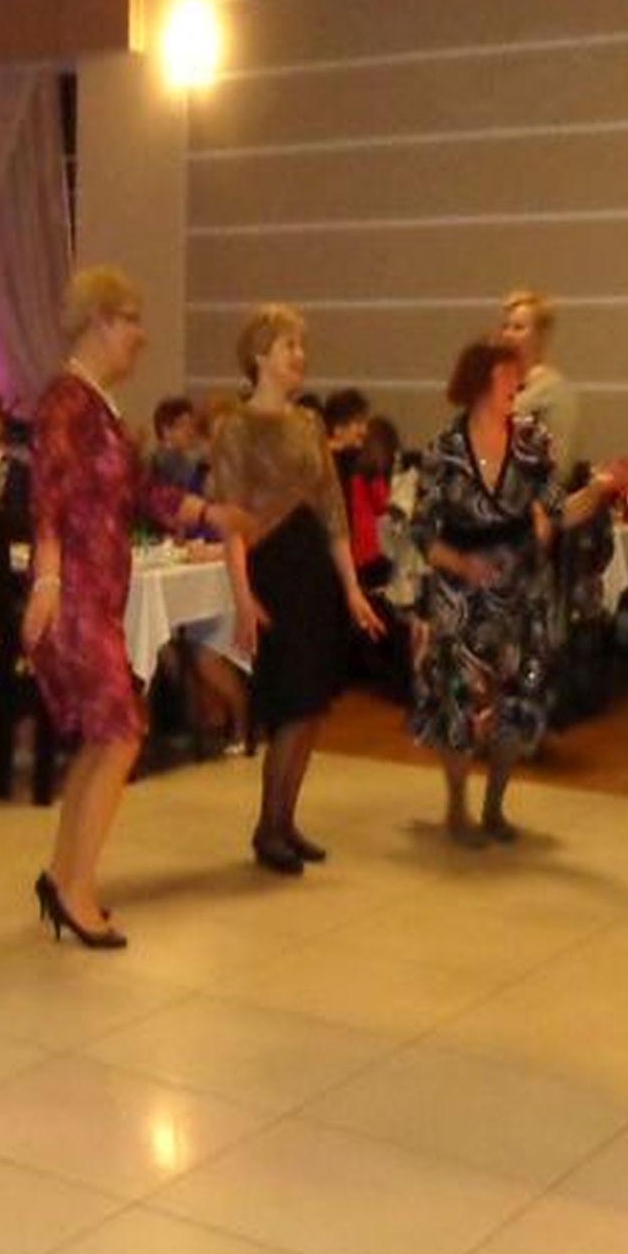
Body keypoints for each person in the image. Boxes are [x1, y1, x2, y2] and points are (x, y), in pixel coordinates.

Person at [21, 267, 233, 946]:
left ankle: (64, 878)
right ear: (99, 322)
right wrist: (47, 583)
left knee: (104, 737)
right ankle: (75, 889)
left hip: (99, 598)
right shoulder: (66, 403)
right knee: (119, 735)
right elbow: (47, 497)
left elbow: (138, 491)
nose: (140, 335)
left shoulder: (98, 405)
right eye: (131, 321)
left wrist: (205, 511)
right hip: (76, 600)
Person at [409, 336, 617, 843]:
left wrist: (598, 491)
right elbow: (422, 531)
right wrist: (462, 564)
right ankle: (457, 807)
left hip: (523, 591)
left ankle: (495, 807)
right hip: (461, 594)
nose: (516, 385)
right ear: (479, 382)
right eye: (506, 376)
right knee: (458, 698)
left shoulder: (531, 442)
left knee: (518, 699)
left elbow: (558, 510)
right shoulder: (444, 449)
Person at [212, 308, 385, 872]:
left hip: (314, 570)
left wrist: (352, 588)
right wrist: (242, 596)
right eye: (289, 345)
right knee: (290, 705)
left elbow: (334, 511)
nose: (299, 356)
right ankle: (267, 827)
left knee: (312, 707)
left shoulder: (310, 423)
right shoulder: (235, 427)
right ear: (260, 355)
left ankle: (286, 819)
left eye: (300, 346)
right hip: (273, 570)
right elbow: (232, 521)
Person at [499, 288, 582, 464]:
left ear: (540, 335)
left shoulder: (555, 391)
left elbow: (559, 463)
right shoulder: (495, 386)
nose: (508, 335)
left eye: (518, 328)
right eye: (505, 327)